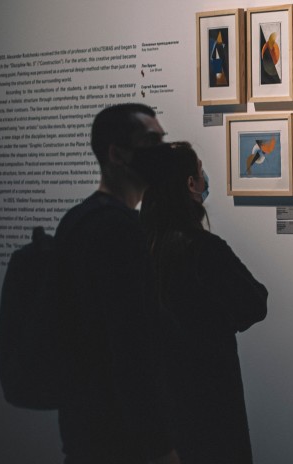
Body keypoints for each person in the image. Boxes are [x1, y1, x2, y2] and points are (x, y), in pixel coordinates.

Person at [54, 103, 180, 464]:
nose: (161, 150)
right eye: (151, 140)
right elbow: (131, 348)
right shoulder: (120, 230)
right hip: (122, 441)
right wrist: (161, 446)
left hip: (84, 431)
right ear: (117, 154)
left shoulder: (76, 221)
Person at [139, 142, 268, 464]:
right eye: (199, 170)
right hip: (208, 397)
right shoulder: (203, 248)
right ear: (190, 184)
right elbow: (254, 303)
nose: (204, 176)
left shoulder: (138, 248)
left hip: (153, 400)